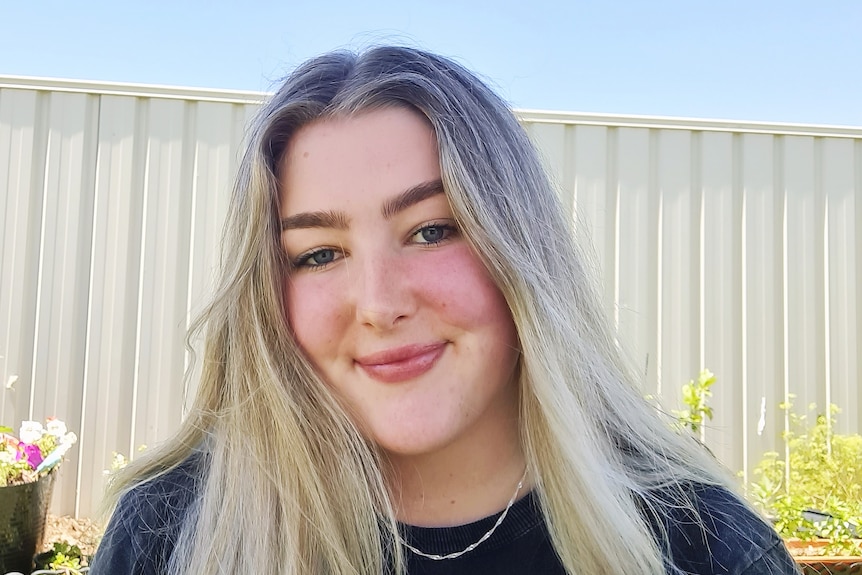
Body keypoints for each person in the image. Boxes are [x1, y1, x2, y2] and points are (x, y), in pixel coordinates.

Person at [90, 46, 799, 574]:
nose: (379, 303)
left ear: (519, 248)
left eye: (432, 230)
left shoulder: (706, 548)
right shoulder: (172, 534)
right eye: (317, 253)